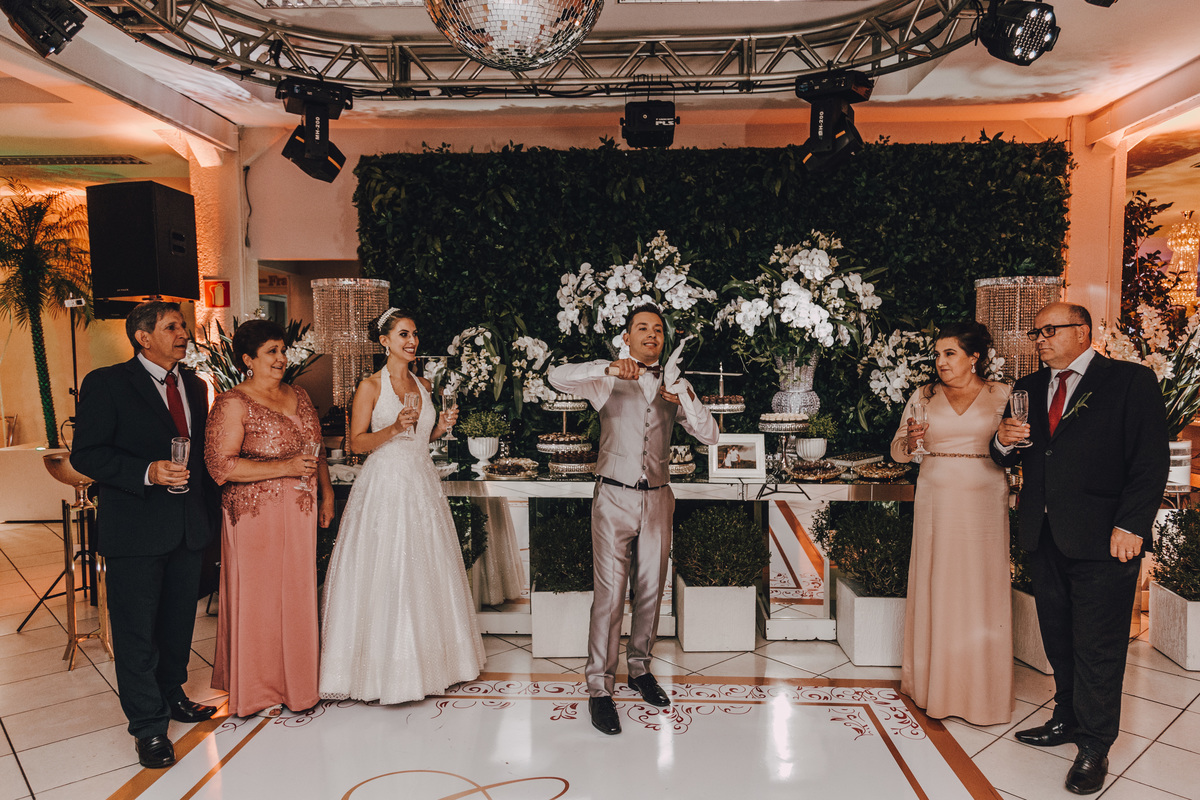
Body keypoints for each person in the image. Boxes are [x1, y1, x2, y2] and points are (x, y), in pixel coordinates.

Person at [992, 302, 1168, 796]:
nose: (1040, 339)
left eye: (1050, 330)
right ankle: (1066, 718)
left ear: (1083, 332)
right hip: (1044, 534)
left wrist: (1131, 525)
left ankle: (1094, 745)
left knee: (1099, 646)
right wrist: (1002, 440)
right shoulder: (1027, 388)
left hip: (1106, 538)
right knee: (1059, 637)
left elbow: (1150, 461)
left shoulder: (1129, 381)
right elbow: (1006, 454)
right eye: (1036, 332)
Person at [548, 304, 719, 735]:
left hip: (659, 498)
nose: (651, 334)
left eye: (657, 329)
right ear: (627, 338)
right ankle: (599, 688)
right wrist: (607, 366)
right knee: (609, 596)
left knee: (651, 591)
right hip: (613, 496)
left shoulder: (674, 384)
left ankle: (639, 669)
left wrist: (685, 397)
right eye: (642, 328)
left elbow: (710, 434)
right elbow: (556, 376)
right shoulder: (606, 378)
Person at [71, 301, 220, 769]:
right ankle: (148, 727)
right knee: (136, 632)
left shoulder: (194, 386)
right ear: (143, 336)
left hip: (187, 527)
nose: (184, 334)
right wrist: (147, 471)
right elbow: (86, 454)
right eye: (172, 327)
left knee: (177, 624)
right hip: (135, 530)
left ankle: (172, 694)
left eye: (184, 326)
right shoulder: (107, 383)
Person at [319, 308, 484, 703]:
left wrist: (440, 427)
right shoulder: (370, 386)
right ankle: (383, 671)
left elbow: (421, 439)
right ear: (385, 341)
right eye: (404, 335)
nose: (412, 342)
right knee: (388, 566)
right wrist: (394, 427)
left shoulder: (423, 384)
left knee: (426, 568)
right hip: (386, 485)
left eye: (414, 335)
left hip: (421, 482)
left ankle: (435, 665)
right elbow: (356, 443)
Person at [204, 319, 334, 718]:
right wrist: (285, 467)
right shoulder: (232, 403)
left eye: (283, 350)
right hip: (254, 515)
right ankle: (258, 691)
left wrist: (327, 494)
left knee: (296, 595)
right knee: (259, 601)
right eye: (271, 352)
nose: (281, 359)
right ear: (248, 359)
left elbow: (316, 450)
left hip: (300, 512)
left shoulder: (299, 394)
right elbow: (220, 466)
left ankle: (298, 684)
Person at [890, 321, 1013, 725]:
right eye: (938, 354)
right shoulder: (923, 395)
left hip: (985, 500)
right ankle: (933, 686)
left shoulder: (1002, 394)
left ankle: (983, 692)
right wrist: (911, 442)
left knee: (981, 586)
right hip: (936, 499)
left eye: (950, 353)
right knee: (938, 584)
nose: (940, 362)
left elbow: (1016, 447)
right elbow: (898, 451)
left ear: (974, 357)